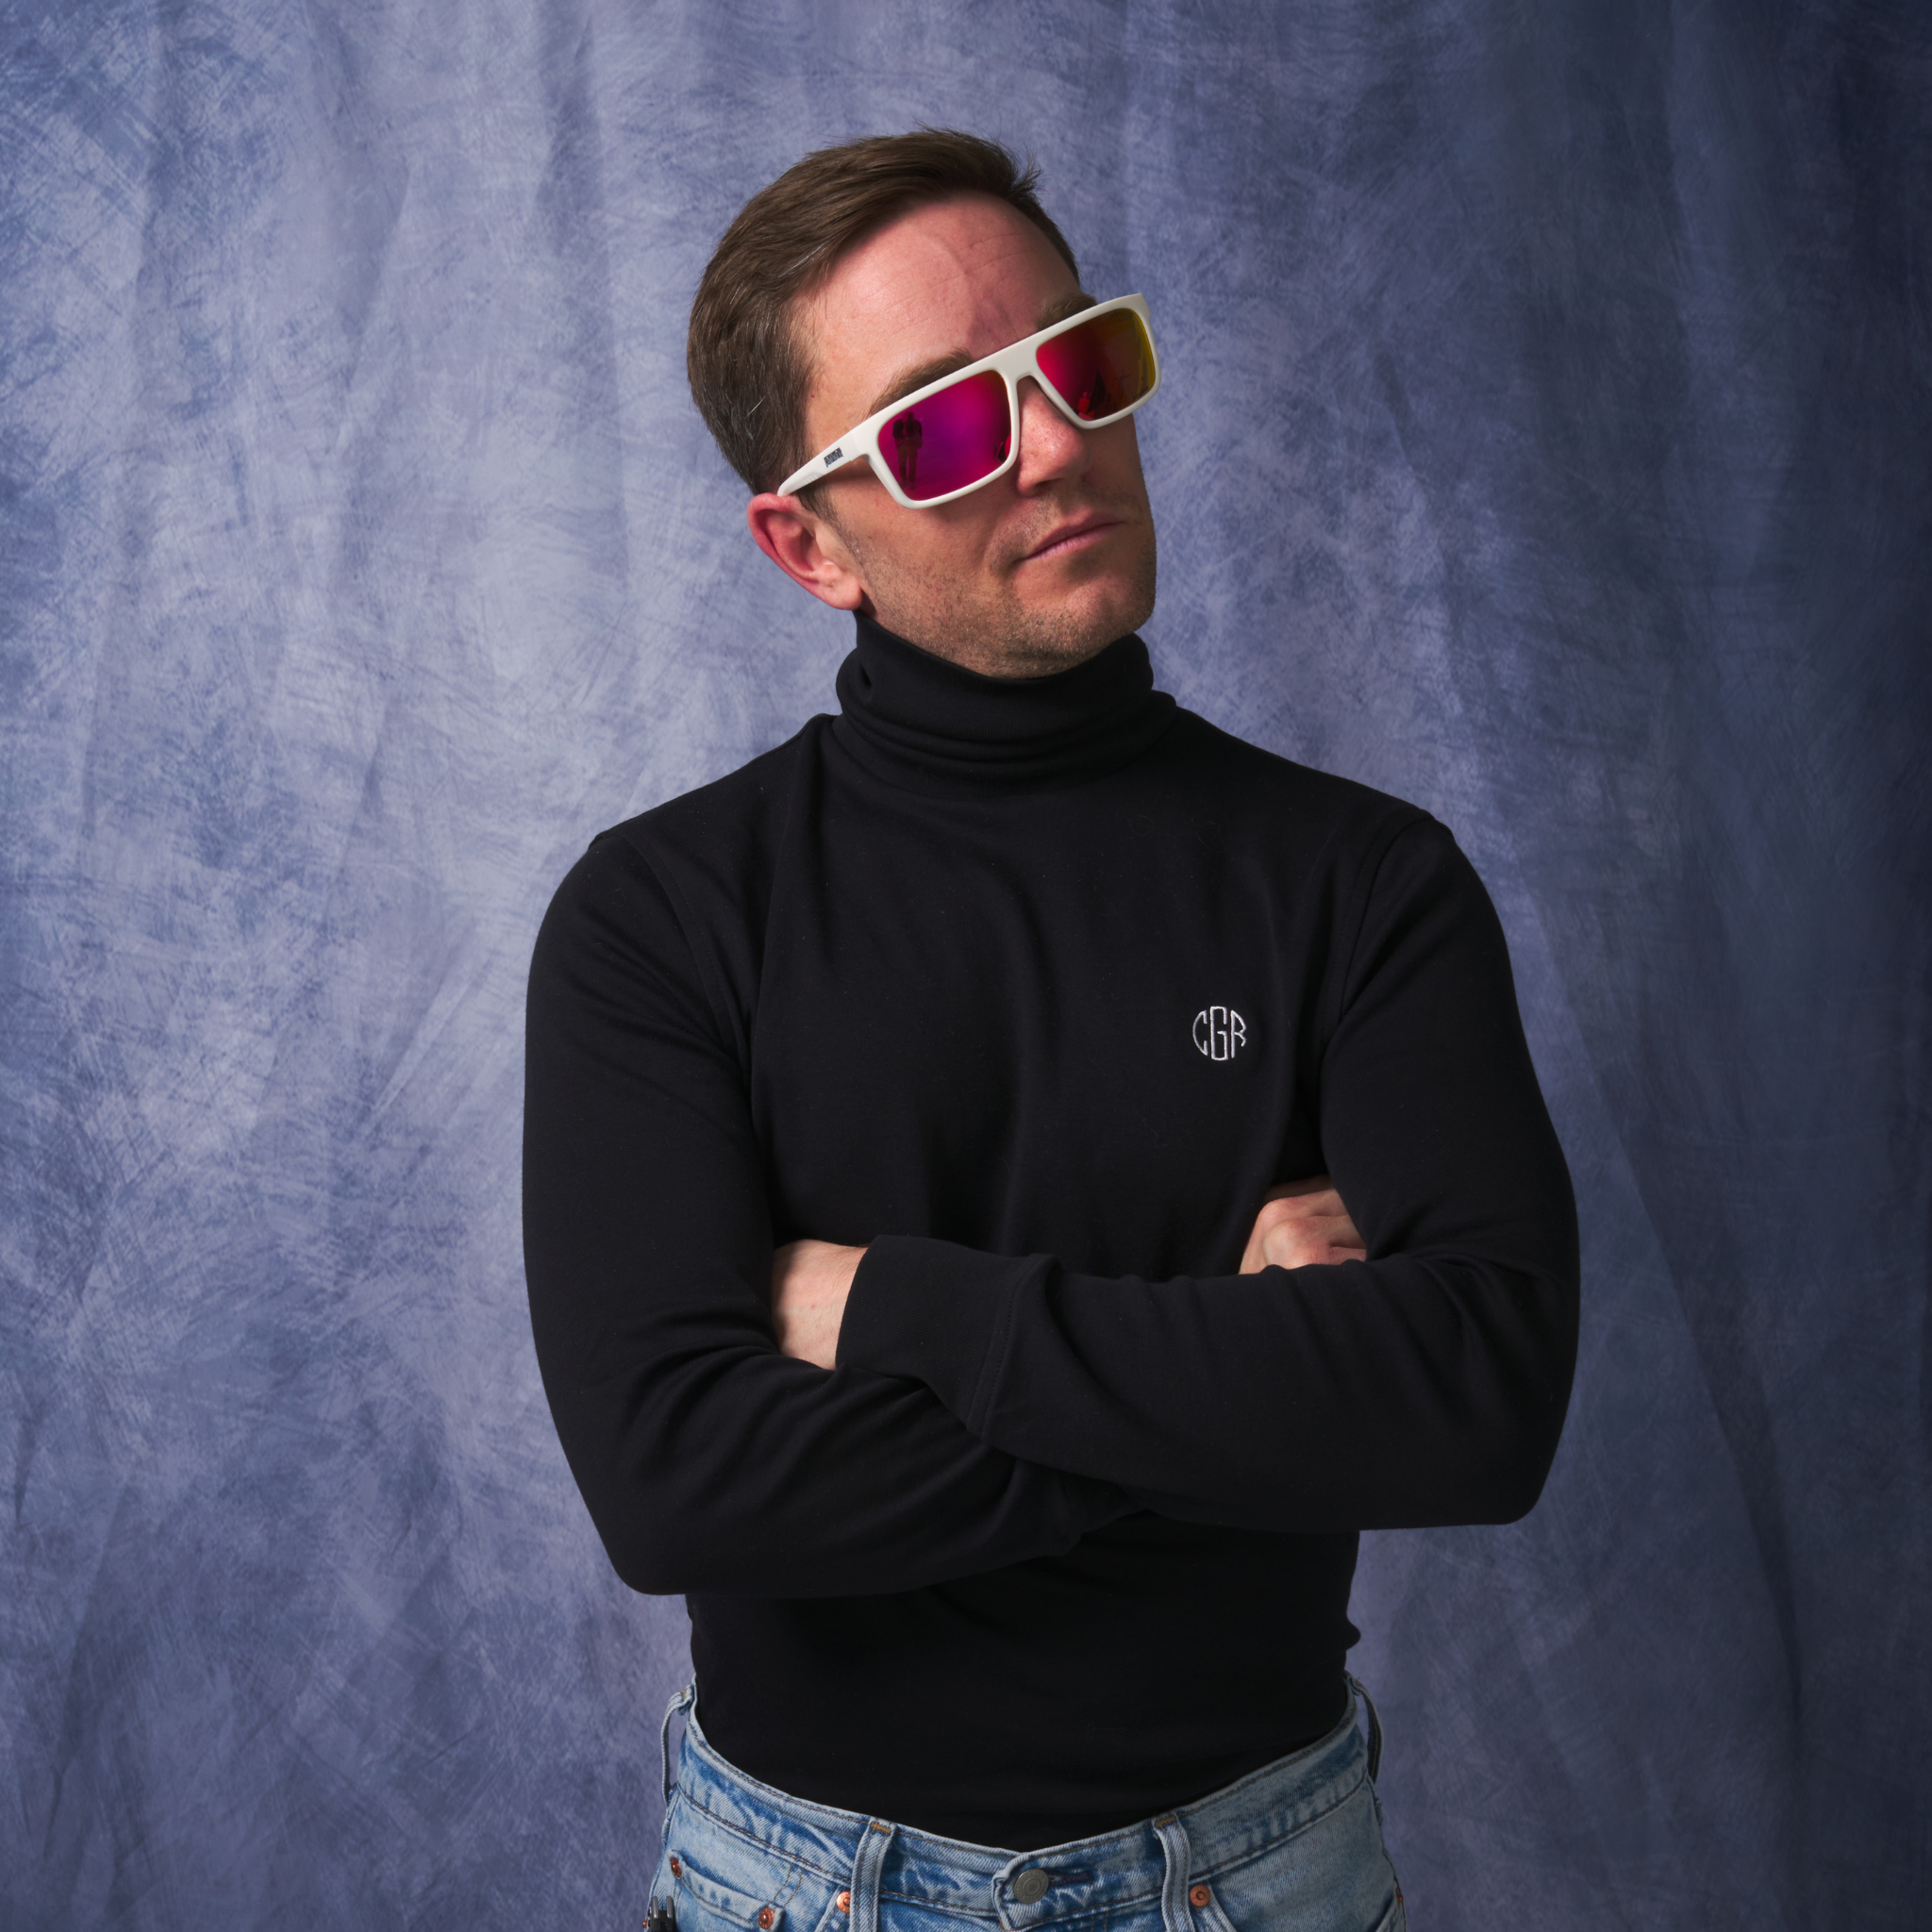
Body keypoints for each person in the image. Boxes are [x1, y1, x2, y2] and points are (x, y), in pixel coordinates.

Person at [523, 130, 1578, 1932]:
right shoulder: (662, 917)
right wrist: (1247, 1372)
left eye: (1080, 361)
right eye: (941, 427)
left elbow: (1477, 1409)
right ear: (807, 543)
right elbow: (679, 1488)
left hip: (1259, 1877)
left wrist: (899, 1313)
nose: (1055, 443)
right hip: (803, 1889)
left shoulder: (1364, 880)